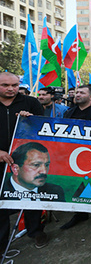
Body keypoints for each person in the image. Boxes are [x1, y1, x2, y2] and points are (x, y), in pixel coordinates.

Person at [0, 72, 47, 250]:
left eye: (15, 85)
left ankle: (36, 231)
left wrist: (31, 120)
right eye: (5, 85)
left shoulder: (31, 102)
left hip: (25, 160)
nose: (11, 89)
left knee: (30, 195)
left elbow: (43, 129)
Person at [60, 85, 91, 230]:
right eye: (77, 92)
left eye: (82, 92)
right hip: (75, 155)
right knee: (77, 184)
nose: (77, 94)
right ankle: (80, 213)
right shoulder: (69, 112)